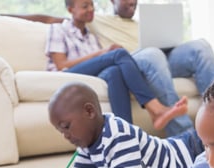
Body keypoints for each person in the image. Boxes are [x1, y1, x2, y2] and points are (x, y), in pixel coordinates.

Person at [17, 81, 205, 168]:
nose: (66, 135)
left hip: (189, 153)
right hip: (184, 147)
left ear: (89, 112)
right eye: (60, 131)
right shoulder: (86, 139)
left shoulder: (118, 134)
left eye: (67, 127)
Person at [46, 0, 187, 131]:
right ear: (70, 10)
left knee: (115, 72)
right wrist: (101, 53)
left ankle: (126, 134)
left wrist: (102, 54)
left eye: (91, 5)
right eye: (85, 6)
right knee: (119, 54)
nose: (90, 9)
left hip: (89, 75)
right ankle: (156, 110)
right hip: (67, 74)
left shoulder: (92, 36)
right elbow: (61, 65)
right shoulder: (58, 29)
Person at [89, 0, 214, 135]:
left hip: (159, 59)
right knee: (153, 54)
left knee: (201, 47)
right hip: (130, 63)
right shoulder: (97, 20)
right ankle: (186, 137)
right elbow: (72, 15)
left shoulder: (143, 24)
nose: (132, 1)